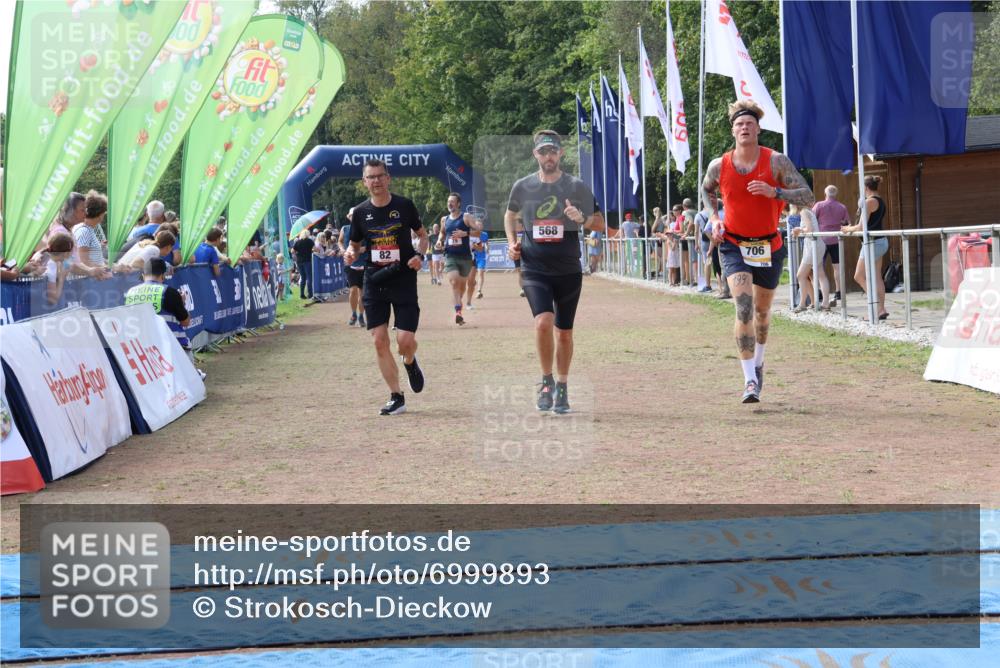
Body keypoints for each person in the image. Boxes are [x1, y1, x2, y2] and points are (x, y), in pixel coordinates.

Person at [703, 99, 815, 403]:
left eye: (749, 124)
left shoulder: (776, 162)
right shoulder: (719, 165)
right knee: (744, 307)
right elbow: (706, 189)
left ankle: (759, 363)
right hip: (733, 244)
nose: (744, 128)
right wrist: (715, 218)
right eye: (739, 124)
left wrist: (775, 191)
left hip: (769, 245)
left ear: (758, 129)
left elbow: (808, 197)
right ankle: (749, 380)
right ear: (733, 130)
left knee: (762, 314)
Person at [504, 130, 604, 414]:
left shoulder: (576, 186)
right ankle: (546, 381)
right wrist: (512, 243)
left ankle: (562, 385)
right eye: (543, 151)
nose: (548, 156)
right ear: (535, 154)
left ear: (560, 153)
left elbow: (600, 222)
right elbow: (509, 215)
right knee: (543, 322)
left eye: (552, 151)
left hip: (568, 269)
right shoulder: (522, 187)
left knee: (564, 333)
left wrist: (582, 219)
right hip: (534, 268)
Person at [344, 158, 429, 416]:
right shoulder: (360, 213)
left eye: (380, 176)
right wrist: (350, 253)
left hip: (403, 277)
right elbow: (354, 244)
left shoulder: (404, 205)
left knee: (405, 341)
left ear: (388, 178)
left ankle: (409, 361)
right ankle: (396, 396)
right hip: (375, 280)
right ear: (364, 182)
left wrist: (420, 255)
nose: (376, 181)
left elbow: (423, 236)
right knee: (379, 341)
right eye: (371, 177)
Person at [124, 258, 205, 379]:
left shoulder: (130, 293)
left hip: (142, 348)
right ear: (162, 275)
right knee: (192, 379)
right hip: (172, 347)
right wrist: (182, 303)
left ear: (143, 275)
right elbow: (185, 322)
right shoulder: (169, 292)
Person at [841, 175, 890, 321]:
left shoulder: (869, 202)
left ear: (866, 187)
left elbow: (861, 227)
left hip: (872, 243)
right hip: (880, 242)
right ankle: (881, 309)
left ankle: (876, 308)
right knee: (876, 276)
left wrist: (847, 229)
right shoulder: (880, 200)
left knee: (859, 276)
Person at [436, 192, 482, 325]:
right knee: (454, 281)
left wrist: (465, 233)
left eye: (452, 201)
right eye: (448, 201)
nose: (449, 204)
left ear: (458, 203)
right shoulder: (444, 219)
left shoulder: (466, 217)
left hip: (465, 258)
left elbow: (478, 232)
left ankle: (459, 305)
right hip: (450, 256)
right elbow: (442, 233)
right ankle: (458, 312)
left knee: (461, 288)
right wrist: (439, 241)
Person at [812, 184, 850, 305]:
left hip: (821, 239)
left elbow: (812, 220)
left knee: (818, 267)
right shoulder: (842, 207)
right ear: (836, 194)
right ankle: (839, 292)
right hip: (836, 239)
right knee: (837, 267)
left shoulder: (819, 205)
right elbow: (847, 223)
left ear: (825, 193)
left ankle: (819, 292)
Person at [791, 203, 830, 311]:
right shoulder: (808, 211)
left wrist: (798, 229)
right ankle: (823, 303)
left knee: (801, 275)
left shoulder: (804, 212)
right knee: (820, 275)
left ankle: (803, 304)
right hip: (816, 244)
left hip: (813, 246)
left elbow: (809, 229)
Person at [339, 207, 367, 327]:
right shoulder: (345, 229)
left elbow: (372, 243)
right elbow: (340, 241)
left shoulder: (366, 228)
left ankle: (361, 316)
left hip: (364, 263)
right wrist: (342, 249)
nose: (354, 218)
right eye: (352, 216)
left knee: (363, 293)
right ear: (348, 217)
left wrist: (363, 249)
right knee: (353, 290)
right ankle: (353, 314)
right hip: (350, 264)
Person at [73, 190, 110, 272]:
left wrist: (112, 266)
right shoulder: (84, 231)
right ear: (100, 214)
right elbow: (83, 261)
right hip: (87, 279)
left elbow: (97, 259)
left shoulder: (87, 229)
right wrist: (108, 269)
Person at [42, 233, 75, 305]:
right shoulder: (51, 266)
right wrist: (61, 278)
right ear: (66, 253)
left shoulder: (52, 260)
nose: (72, 254)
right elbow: (53, 300)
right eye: (71, 251)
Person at [467, 229, 489, 305]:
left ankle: (479, 291)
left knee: (480, 273)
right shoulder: (470, 234)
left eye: (480, 226)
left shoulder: (484, 234)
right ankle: (473, 282)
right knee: (469, 277)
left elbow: (486, 244)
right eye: (477, 226)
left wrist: (487, 248)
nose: (478, 227)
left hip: (481, 257)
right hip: (472, 257)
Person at [291, 229, 315, 299]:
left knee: (303, 277)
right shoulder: (310, 241)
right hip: (307, 260)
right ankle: (310, 294)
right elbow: (315, 249)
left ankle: (302, 294)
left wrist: (297, 253)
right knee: (309, 277)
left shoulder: (297, 242)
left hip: (299, 261)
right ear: (308, 234)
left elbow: (292, 251)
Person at [681, 198, 697, 286]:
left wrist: (686, 234)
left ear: (684, 206)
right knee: (697, 259)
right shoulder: (696, 211)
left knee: (693, 259)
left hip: (691, 237)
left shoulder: (686, 212)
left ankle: (694, 280)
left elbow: (691, 223)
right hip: (697, 237)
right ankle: (698, 279)